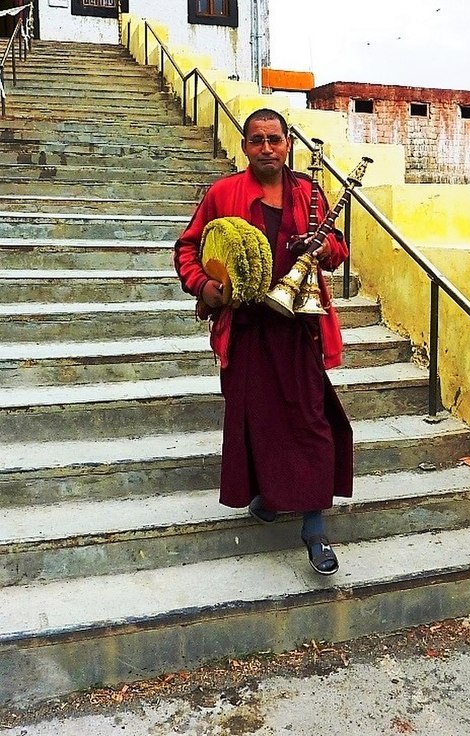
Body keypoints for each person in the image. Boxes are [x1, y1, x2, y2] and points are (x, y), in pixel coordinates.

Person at [174, 108, 353, 575]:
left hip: (298, 327)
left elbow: (338, 249)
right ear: (245, 145)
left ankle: (314, 530)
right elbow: (188, 249)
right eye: (257, 140)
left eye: (274, 139)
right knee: (255, 420)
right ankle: (270, 497)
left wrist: (322, 248)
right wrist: (204, 286)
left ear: (287, 143)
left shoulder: (309, 191)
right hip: (247, 326)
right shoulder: (224, 193)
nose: (267, 148)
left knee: (310, 420)